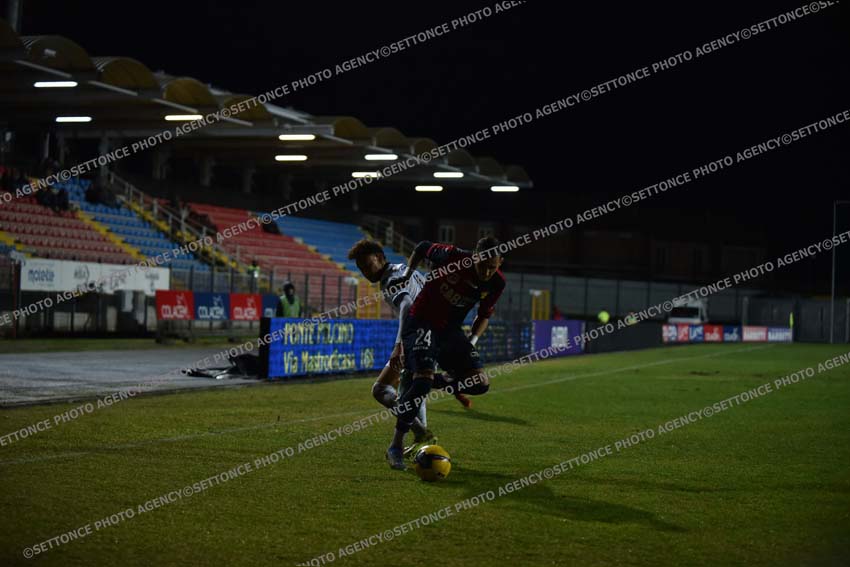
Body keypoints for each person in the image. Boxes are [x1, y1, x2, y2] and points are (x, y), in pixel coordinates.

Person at [347, 239, 471, 467]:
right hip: (433, 335)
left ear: (380, 258)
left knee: (382, 389)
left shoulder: (390, 279)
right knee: (415, 389)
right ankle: (422, 441)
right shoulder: (404, 269)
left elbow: (406, 306)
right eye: (361, 268)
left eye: (368, 265)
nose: (366, 272)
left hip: (418, 339)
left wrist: (399, 345)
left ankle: (414, 436)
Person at [386, 236, 506, 469]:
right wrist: (407, 275)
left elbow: (484, 315)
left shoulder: (497, 283)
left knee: (480, 383)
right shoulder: (453, 256)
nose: (486, 272)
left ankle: (431, 383)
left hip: (450, 331)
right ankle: (395, 447)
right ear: (475, 256)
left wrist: (472, 341)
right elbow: (422, 246)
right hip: (421, 322)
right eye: (483, 265)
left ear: (500, 262)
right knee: (421, 381)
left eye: (492, 267)